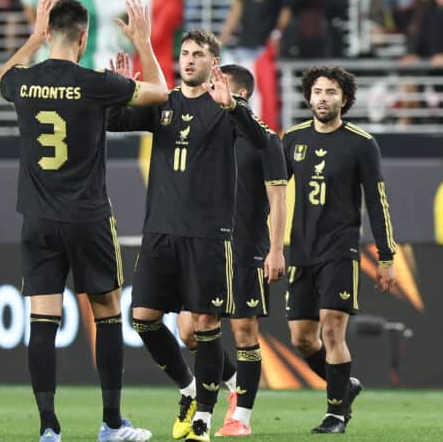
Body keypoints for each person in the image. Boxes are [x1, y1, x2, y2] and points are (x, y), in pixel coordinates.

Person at [0, 0, 168, 442]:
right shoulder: (95, 82)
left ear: (49, 31)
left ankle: (49, 429)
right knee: (108, 312)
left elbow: (1, 78)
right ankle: (112, 424)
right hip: (88, 217)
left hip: (37, 219)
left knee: (42, 320)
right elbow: (161, 94)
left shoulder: (25, 81)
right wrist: (145, 43)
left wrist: (32, 40)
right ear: (85, 35)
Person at [106, 30, 269, 441]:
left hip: (208, 235)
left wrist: (233, 107)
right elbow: (113, 122)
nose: (189, 59)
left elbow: (261, 141)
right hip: (160, 231)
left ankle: (203, 420)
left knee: (205, 325)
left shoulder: (227, 107)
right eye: (184, 53)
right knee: (142, 319)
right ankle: (189, 387)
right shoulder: (164, 102)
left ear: (214, 63)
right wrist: (121, 90)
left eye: (198, 53)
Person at [282, 66, 397, 434]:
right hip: (301, 250)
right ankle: (345, 386)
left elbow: (377, 203)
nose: (323, 98)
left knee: (332, 330)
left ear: (344, 99)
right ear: (308, 97)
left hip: (340, 249)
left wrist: (386, 255)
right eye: (317, 91)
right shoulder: (293, 139)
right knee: (302, 339)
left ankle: (336, 414)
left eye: (331, 92)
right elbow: (271, 191)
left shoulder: (361, 143)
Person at [176, 63, 287, 437]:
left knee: (243, 330)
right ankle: (235, 380)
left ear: (235, 91)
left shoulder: (266, 140)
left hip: (246, 248)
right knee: (189, 331)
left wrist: (275, 249)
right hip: (205, 246)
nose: (207, 92)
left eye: (214, 85)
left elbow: (278, 198)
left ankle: (241, 417)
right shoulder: (206, 134)